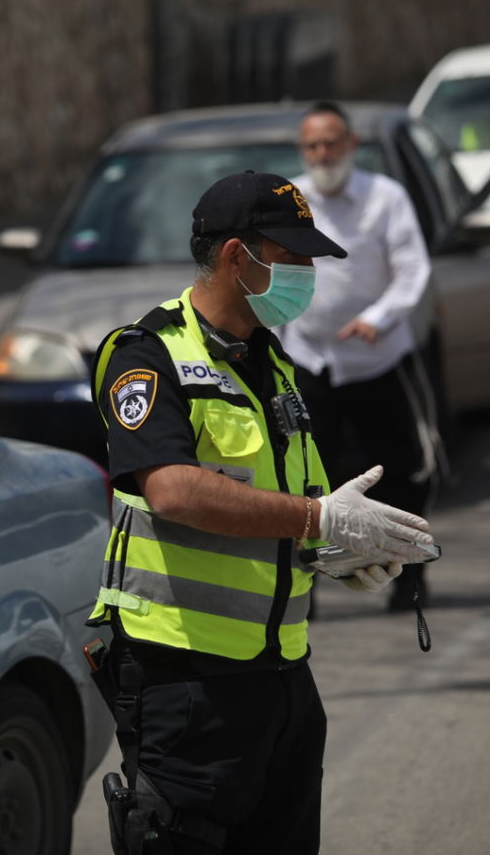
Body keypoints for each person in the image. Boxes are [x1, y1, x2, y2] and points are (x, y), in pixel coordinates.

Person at [88, 169, 435, 854]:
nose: (307, 273)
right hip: (186, 686)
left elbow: (289, 507)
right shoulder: (148, 355)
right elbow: (173, 490)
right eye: (292, 257)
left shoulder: (273, 368)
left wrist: (338, 552)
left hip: (282, 682)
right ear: (234, 256)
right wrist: (319, 522)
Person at [276, 101, 442, 612]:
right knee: (306, 476)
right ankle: (310, 589)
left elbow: (413, 269)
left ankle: (409, 577)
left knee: (402, 470)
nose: (322, 153)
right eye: (312, 145)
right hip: (309, 358)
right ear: (302, 150)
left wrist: (379, 317)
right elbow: (272, 271)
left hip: (378, 359)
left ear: (350, 144)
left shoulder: (384, 197)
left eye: (331, 142)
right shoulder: (291, 199)